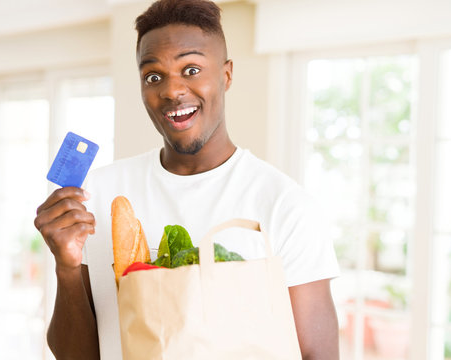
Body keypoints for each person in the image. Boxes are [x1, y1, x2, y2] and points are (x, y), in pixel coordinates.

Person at [34, 0, 340, 358]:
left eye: (191, 69)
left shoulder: (284, 206)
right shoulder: (97, 197)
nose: (171, 91)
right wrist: (66, 266)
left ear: (225, 75)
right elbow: (77, 356)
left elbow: (318, 354)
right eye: (153, 76)